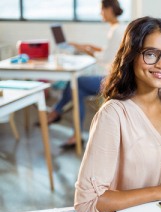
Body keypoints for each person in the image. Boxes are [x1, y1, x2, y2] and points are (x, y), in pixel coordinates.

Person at [74, 16, 161, 212]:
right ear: (131, 56)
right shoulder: (113, 115)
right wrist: (158, 192)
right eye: (150, 54)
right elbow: (87, 204)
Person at [46, 0, 125, 149]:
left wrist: (85, 50)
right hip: (110, 74)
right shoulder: (117, 28)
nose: (100, 13)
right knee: (78, 89)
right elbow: (107, 50)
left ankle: (56, 112)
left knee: (76, 82)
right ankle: (75, 135)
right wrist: (84, 45)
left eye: (101, 9)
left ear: (109, 10)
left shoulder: (116, 31)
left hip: (111, 79)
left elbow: (105, 57)